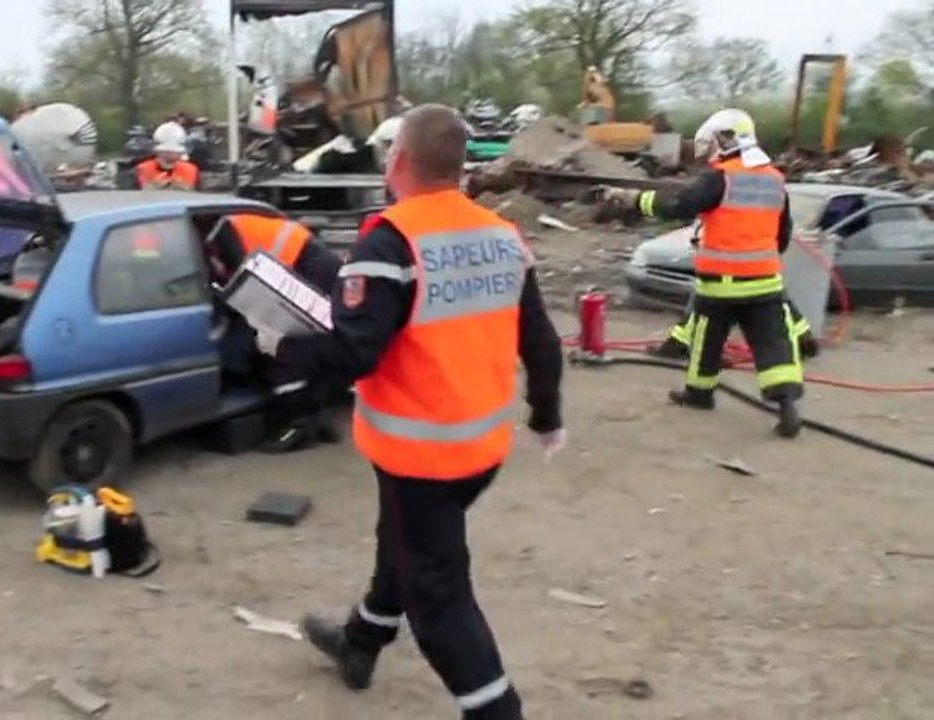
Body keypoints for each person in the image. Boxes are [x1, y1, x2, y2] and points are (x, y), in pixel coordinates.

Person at [254, 104, 566, 720]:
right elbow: (541, 341)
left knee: (439, 596)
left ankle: (497, 711)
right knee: (405, 543)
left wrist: (281, 346)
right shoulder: (503, 237)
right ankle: (361, 643)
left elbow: (352, 354)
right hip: (480, 451)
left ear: (397, 161)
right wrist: (546, 415)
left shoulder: (389, 239)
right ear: (460, 168)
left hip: (420, 456)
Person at [605, 108, 804, 437]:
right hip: (765, 282)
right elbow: (782, 235)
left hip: (720, 284)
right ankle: (787, 407)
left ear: (726, 140)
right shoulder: (774, 180)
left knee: (706, 339)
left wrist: (636, 200)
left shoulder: (721, 178)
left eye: (713, 141)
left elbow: (679, 206)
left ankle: (699, 394)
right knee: (774, 344)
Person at [206, 213, 345, 452]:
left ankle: (300, 424)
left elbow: (246, 280)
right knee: (308, 343)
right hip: (309, 265)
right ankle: (315, 418)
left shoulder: (221, 231)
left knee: (287, 346)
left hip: (307, 269)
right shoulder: (224, 231)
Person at [649, 221, 819, 360]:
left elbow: (692, 203)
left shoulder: (726, 183)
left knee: (710, 302)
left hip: (730, 259)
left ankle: (682, 346)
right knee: (773, 297)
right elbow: (783, 228)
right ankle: (804, 339)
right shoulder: (770, 186)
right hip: (760, 257)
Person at [134, 131, 199, 191]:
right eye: (167, 152)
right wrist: (152, 187)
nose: (170, 155)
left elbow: (198, 195)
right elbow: (134, 195)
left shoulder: (190, 169)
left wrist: (184, 188)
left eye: (174, 151)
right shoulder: (143, 168)